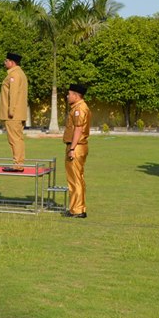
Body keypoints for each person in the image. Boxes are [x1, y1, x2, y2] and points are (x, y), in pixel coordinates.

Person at [62, 83, 91, 218]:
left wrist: (72, 148)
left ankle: (78, 209)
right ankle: (76, 208)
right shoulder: (77, 107)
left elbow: (78, 129)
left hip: (76, 146)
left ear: (75, 95)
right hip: (77, 146)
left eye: (69, 94)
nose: (68, 96)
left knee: (75, 179)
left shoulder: (79, 109)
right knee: (76, 178)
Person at [0, 52, 28, 170]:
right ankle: (19, 163)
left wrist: (11, 110)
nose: (4, 63)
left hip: (13, 114)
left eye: (6, 61)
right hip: (18, 113)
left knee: (14, 139)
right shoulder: (20, 74)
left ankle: (18, 164)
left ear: (12, 62)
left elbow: (13, 94)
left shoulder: (14, 75)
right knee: (17, 138)